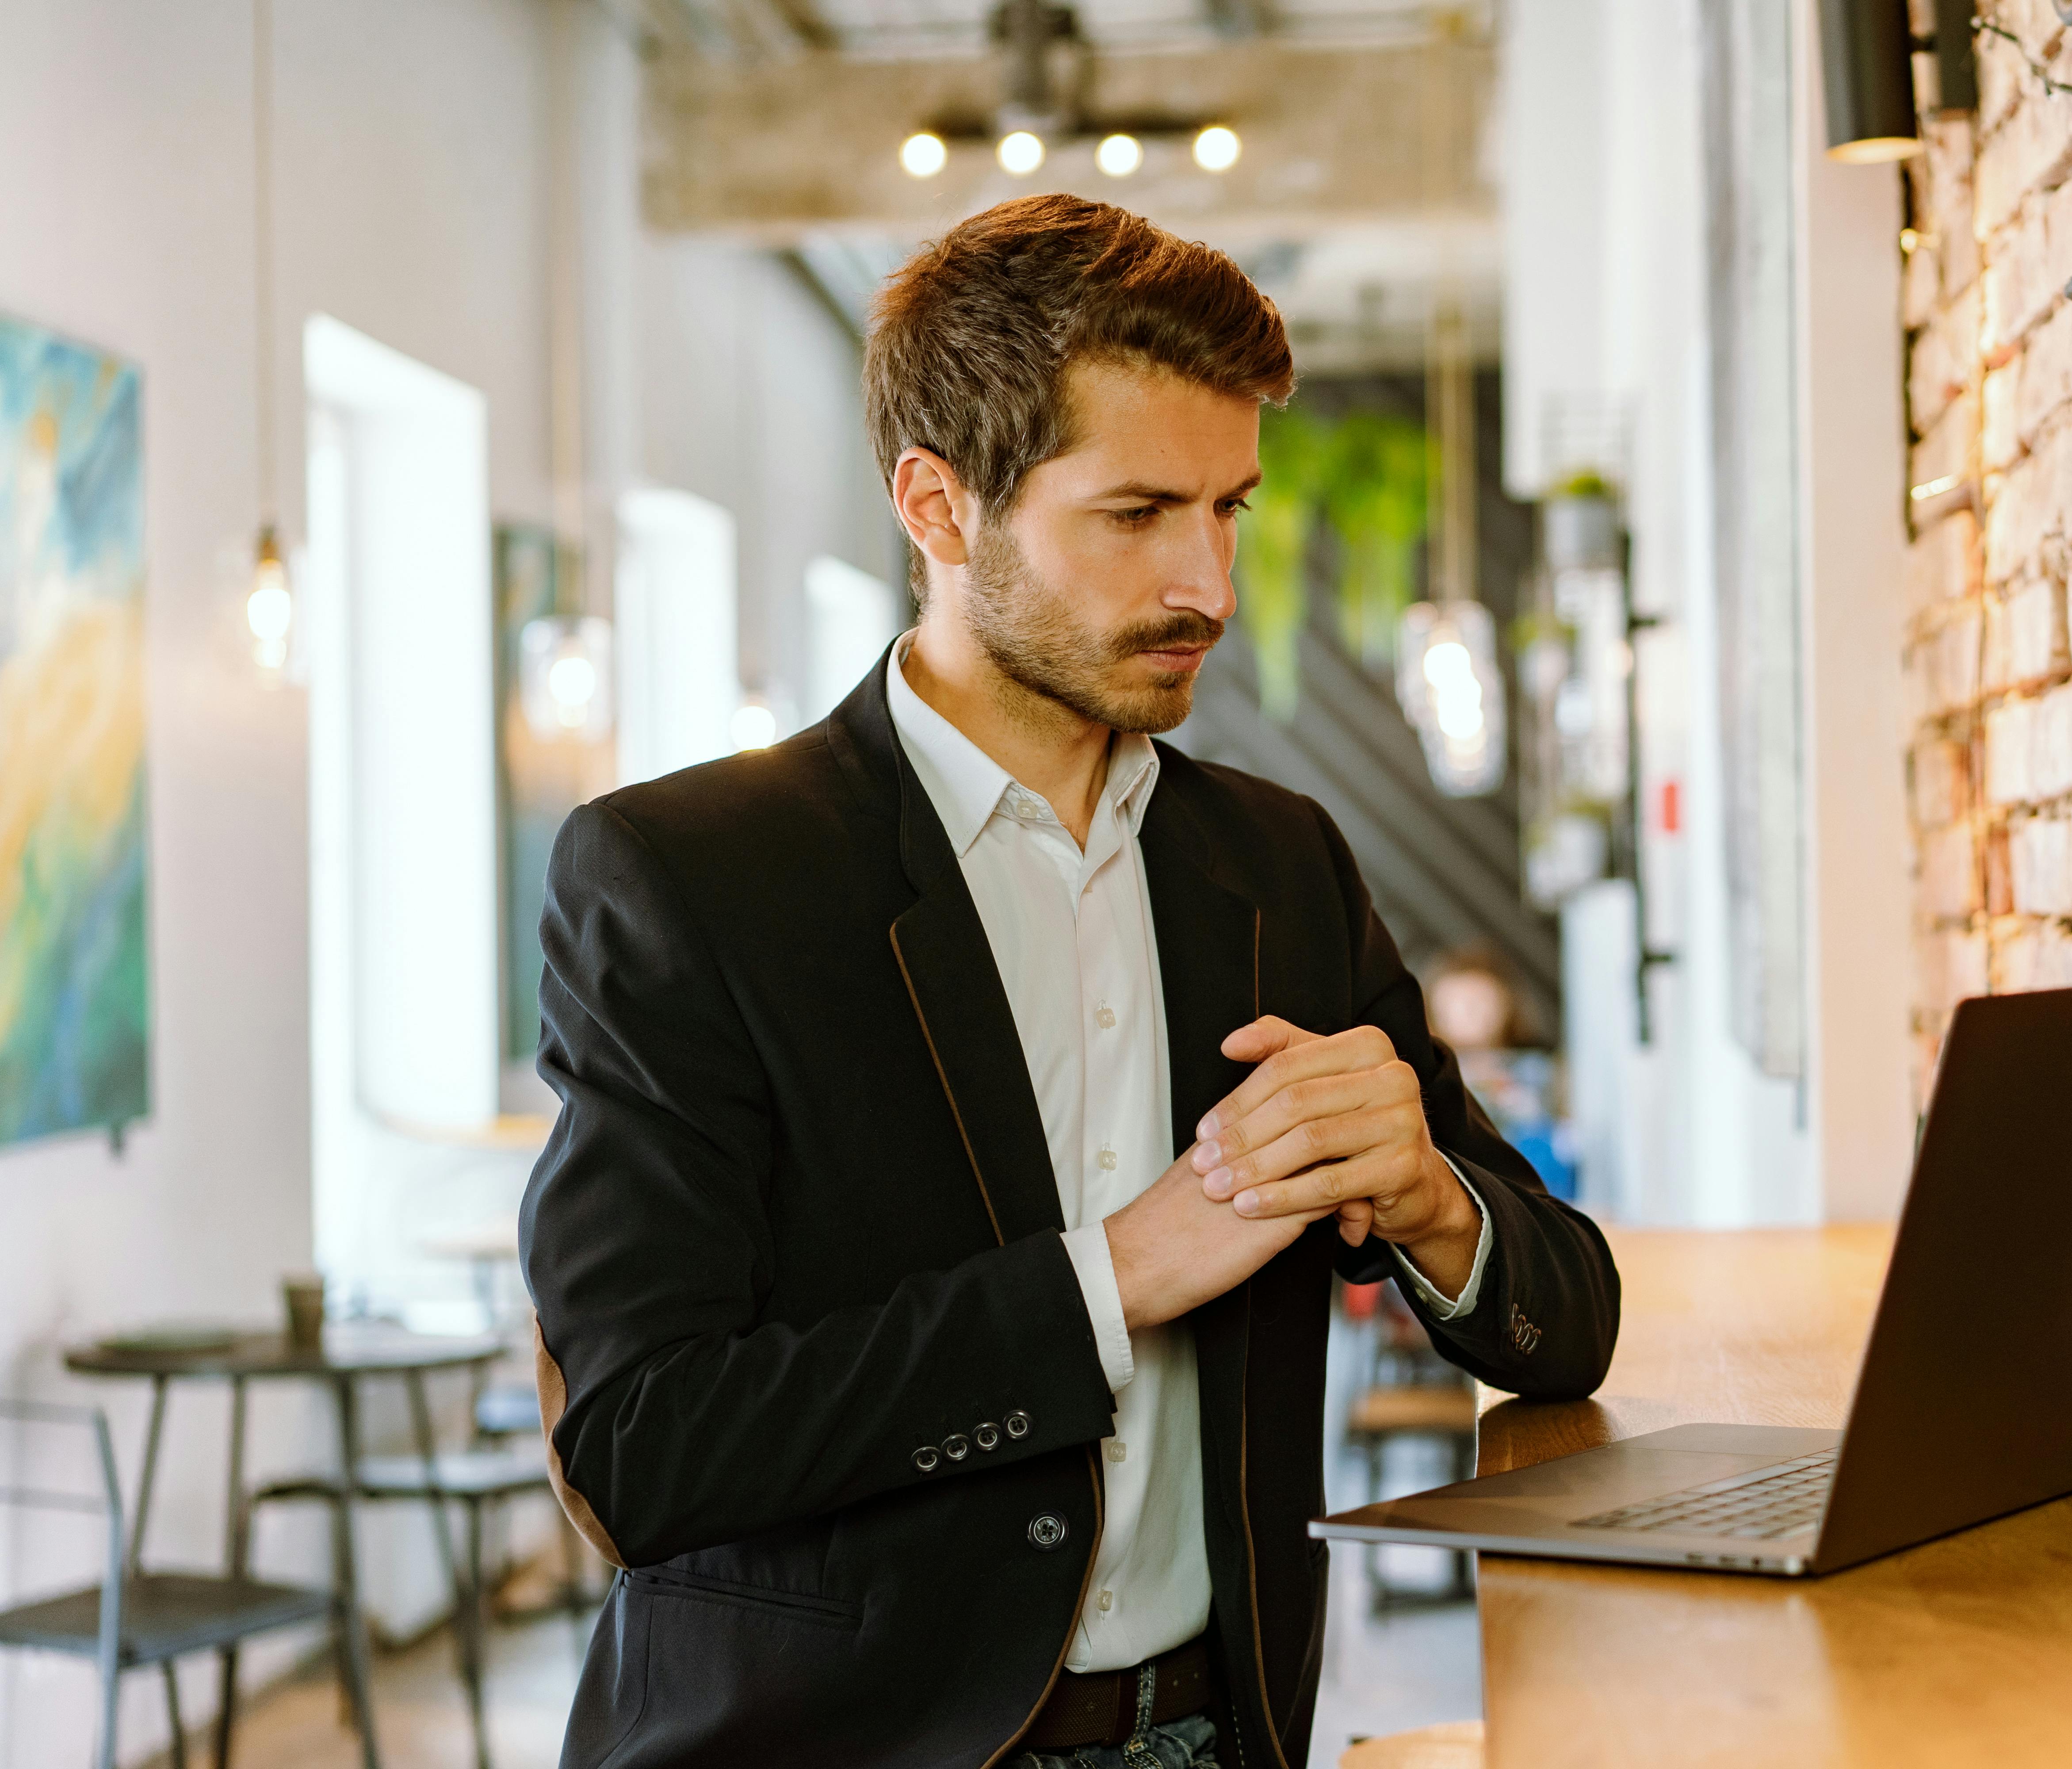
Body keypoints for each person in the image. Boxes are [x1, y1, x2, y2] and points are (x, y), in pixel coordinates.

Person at [519, 194, 1621, 1769]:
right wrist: (1112, 1280)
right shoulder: (685, 879)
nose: (1209, 586)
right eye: (1137, 514)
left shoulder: (1284, 867)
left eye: (1230, 509)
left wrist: (1440, 1205)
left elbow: (1566, 1316)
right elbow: (642, 1449)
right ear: (938, 504)